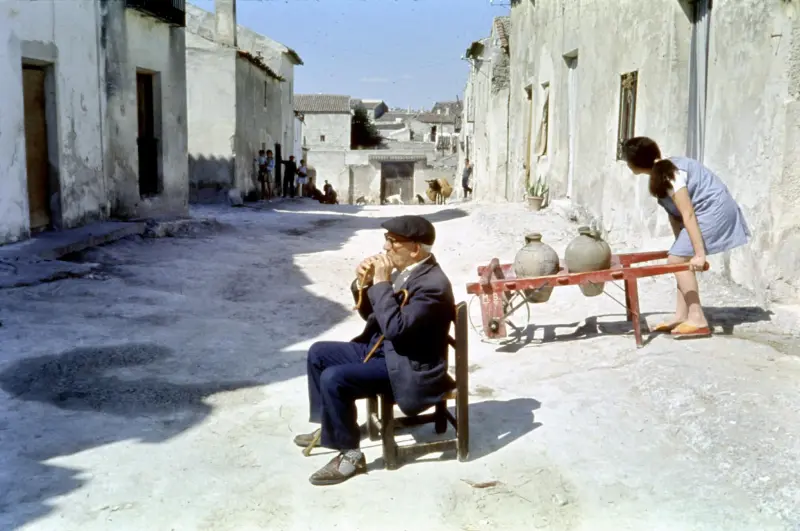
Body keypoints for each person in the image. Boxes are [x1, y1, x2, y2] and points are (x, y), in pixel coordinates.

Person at [294, 215, 456, 486]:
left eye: (393, 242)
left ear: (415, 248)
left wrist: (382, 284)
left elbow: (395, 329)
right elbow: (374, 316)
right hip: (385, 351)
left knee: (335, 378)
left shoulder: (433, 286)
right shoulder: (407, 271)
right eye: (386, 240)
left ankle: (351, 456)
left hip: (409, 366)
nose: (386, 248)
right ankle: (333, 429)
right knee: (319, 353)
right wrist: (365, 283)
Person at [620, 136, 751, 338]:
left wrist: (698, 253)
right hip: (703, 214)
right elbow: (676, 216)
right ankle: (681, 316)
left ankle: (697, 318)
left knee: (676, 259)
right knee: (678, 257)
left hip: (714, 212)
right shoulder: (660, 173)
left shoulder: (671, 174)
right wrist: (682, 246)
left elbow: (687, 213)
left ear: (635, 163)